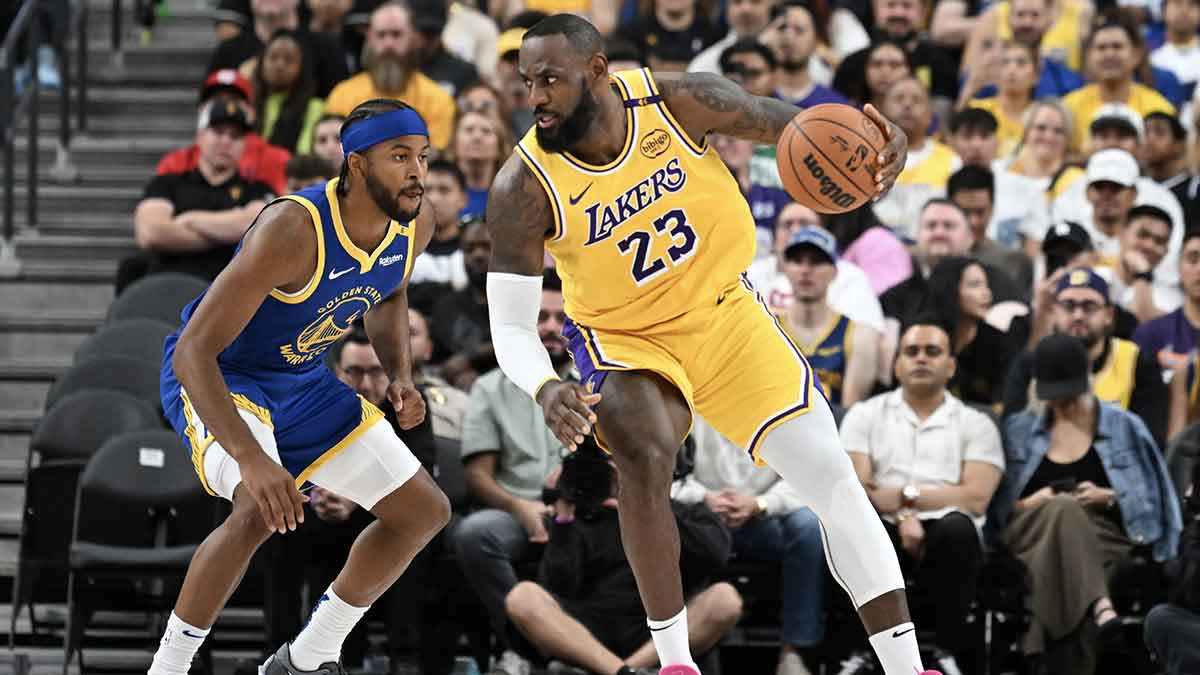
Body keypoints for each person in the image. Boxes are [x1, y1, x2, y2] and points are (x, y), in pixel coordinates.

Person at [484, 14, 943, 675]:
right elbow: (510, 326)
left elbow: (790, 124)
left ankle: (905, 667)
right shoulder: (521, 186)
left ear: (596, 72)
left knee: (834, 482)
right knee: (643, 448)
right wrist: (547, 384)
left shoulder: (679, 100)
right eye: (526, 82)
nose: (536, 98)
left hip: (725, 313)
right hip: (627, 339)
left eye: (550, 80)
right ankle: (676, 663)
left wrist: (874, 140)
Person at [147, 99, 451, 675]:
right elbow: (193, 353)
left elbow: (388, 290)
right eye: (400, 157)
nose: (417, 172)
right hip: (223, 377)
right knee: (258, 508)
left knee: (422, 511)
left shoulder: (418, 221)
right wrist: (252, 460)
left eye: (423, 157)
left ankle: (306, 659)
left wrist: (400, 373)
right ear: (357, 166)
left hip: (301, 379)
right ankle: (169, 667)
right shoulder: (293, 228)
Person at [993, 333, 1182, 675]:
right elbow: (997, 512)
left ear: (1087, 381)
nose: (1062, 405)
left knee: (1065, 551)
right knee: (1062, 508)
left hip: (1104, 535)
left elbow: (1157, 500)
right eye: (1054, 398)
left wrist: (1110, 497)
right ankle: (1102, 607)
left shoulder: (1125, 427)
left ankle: (1038, 645)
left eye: (1070, 396)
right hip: (1028, 532)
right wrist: (1029, 503)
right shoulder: (1017, 431)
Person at [261, 328, 438, 674]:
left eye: (375, 373)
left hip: (375, 515)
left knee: (419, 530)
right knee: (276, 528)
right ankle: (278, 651)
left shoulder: (408, 407)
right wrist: (316, 497)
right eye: (355, 372)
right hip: (311, 510)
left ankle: (405, 657)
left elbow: (424, 471)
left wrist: (357, 500)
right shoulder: (310, 402)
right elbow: (283, 463)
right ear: (337, 372)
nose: (365, 384)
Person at [841, 318, 1005, 674]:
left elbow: (976, 497)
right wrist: (904, 516)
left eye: (933, 352)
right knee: (856, 529)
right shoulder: (864, 415)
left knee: (958, 529)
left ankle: (946, 654)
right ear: (897, 363)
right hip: (882, 525)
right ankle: (862, 653)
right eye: (911, 351)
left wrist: (903, 497)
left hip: (948, 534)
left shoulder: (976, 423)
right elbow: (855, 490)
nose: (921, 359)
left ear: (950, 366)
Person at [505, 441, 742, 675]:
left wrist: (643, 505)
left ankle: (625, 669)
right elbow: (558, 584)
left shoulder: (688, 513)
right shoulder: (585, 515)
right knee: (522, 597)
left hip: (663, 628)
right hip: (589, 629)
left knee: (725, 598)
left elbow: (715, 556)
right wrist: (564, 517)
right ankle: (623, 672)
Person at [453, 269, 573, 675]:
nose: (552, 327)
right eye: (541, 318)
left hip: (588, 510)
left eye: (561, 317)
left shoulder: (601, 383)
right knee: (474, 533)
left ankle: (593, 646)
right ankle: (524, 645)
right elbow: (477, 474)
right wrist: (519, 506)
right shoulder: (489, 387)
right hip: (515, 509)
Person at [671, 417, 824, 675]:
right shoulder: (684, 406)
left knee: (808, 527)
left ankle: (793, 652)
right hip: (698, 517)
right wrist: (704, 498)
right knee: (660, 520)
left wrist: (760, 504)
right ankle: (674, 647)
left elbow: (807, 478)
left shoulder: (782, 407)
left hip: (762, 518)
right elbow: (659, 476)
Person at [1003, 267, 1169, 447]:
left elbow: (1149, 439)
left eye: (1089, 307)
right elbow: (1013, 435)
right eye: (1068, 306)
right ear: (1054, 311)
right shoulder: (1032, 362)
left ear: (1109, 315)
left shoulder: (1136, 361)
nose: (1078, 315)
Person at [127, 100, 276, 288]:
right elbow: (151, 233)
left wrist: (190, 219)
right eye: (218, 132)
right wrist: (226, 234)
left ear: (244, 144)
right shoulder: (167, 183)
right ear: (200, 136)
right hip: (166, 287)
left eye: (235, 136)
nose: (226, 141)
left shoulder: (258, 189)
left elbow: (255, 227)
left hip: (228, 293)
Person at [324, 2, 456, 150]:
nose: (388, 44)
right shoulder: (343, 95)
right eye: (381, 35)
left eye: (396, 34)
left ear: (413, 39)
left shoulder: (437, 99)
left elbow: (433, 154)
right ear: (369, 39)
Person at [777, 227, 879, 409]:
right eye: (797, 261)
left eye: (816, 262)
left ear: (834, 272)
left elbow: (849, 416)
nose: (805, 270)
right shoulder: (768, 329)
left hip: (834, 432)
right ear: (785, 269)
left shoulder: (857, 334)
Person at [744, 203, 885, 333]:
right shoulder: (752, 272)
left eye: (805, 223)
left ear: (821, 229)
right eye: (787, 225)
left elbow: (867, 330)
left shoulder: (851, 275)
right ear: (775, 236)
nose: (795, 230)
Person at [158, 69, 292, 196]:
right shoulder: (175, 162)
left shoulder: (276, 159)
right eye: (216, 100)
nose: (226, 108)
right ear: (201, 109)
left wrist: (188, 219)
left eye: (233, 100)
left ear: (250, 111)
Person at [872, 77, 962, 239]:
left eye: (917, 100)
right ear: (882, 111)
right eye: (899, 99)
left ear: (930, 114)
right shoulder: (868, 155)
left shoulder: (951, 160)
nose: (907, 105)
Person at [252, 29, 326, 154]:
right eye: (273, 57)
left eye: (289, 59)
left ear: (301, 68)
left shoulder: (314, 108)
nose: (280, 65)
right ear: (261, 63)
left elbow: (304, 154)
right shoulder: (248, 102)